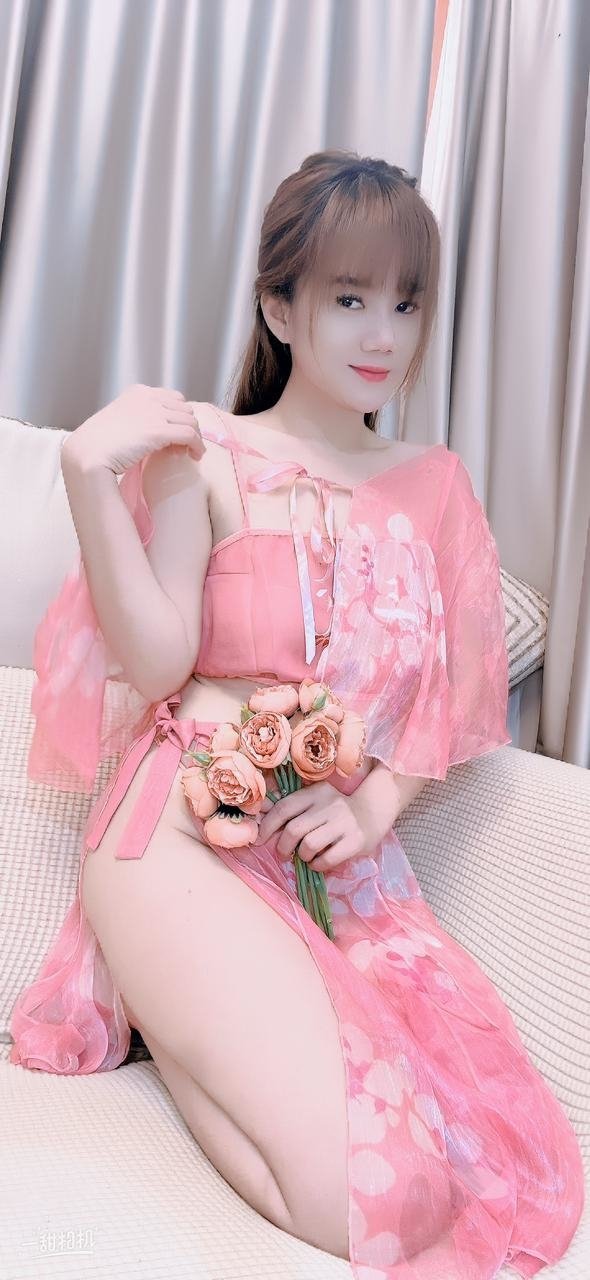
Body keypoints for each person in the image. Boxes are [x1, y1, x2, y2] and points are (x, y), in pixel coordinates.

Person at [9, 150, 584, 1278]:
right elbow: (158, 660)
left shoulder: (435, 486)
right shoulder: (205, 455)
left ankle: (186, 1036)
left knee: (457, 1174)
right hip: (178, 833)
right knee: (377, 1204)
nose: (383, 334)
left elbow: (459, 693)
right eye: (349, 298)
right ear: (280, 307)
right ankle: (186, 1018)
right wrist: (86, 478)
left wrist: (373, 806)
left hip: (335, 869)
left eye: (405, 302)